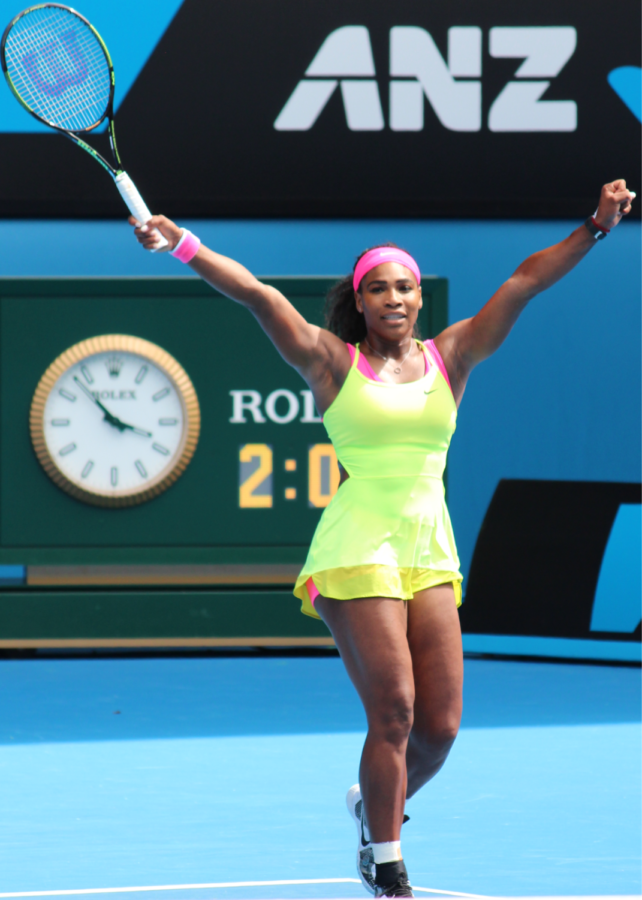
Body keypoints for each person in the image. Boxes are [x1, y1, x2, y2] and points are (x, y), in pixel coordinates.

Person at [130, 179, 635, 898]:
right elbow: (258, 296)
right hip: (357, 547)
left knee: (441, 727)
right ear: (359, 301)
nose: (396, 298)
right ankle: (386, 858)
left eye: (407, 287)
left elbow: (523, 283)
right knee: (393, 709)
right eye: (380, 289)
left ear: (420, 298)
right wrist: (181, 244)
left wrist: (596, 226)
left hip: (428, 549)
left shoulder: (451, 358)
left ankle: (375, 807)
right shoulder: (331, 362)